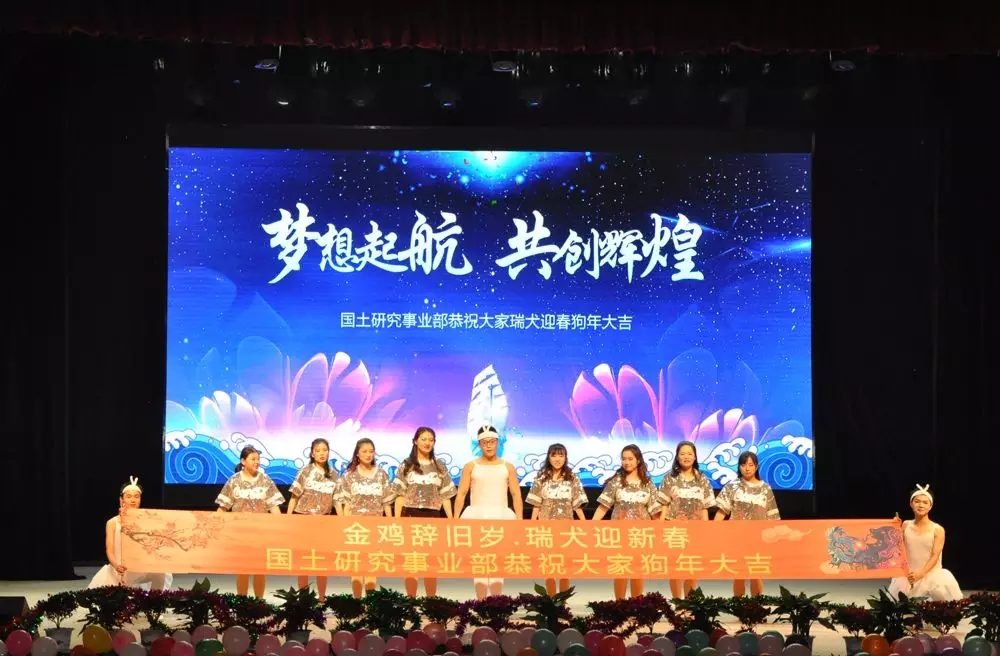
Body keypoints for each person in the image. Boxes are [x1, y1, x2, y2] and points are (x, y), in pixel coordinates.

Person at [454, 424, 523, 599]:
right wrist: (455, 520)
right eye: (485, 442)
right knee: (479, 560)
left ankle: (496, 602)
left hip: (501, 517)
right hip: (477, 517)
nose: (489, 445)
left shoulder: (508, 466)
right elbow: (461, 493)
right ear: (479, 444)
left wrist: (520, 520)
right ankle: (481, 602)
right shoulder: (471, 466)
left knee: (498, 560)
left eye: (492, 441)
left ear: (497, 442)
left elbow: (516, 494)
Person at [392, 427, 456, 598]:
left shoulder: (439, 466)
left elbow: (445, 496)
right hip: (410, 515)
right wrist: (397, 521)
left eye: (431, 440)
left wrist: (451, 519)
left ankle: (431, 600)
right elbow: (400, 495)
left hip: (433, 516)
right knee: (412, 560)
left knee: (430, 560)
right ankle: (410, 599)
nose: (428, 443)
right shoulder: (406, 465)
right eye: (424, 439)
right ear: (415, 441)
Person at [592, 444, 661, 600]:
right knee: (620, 569)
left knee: (638, 571)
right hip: (619, 535)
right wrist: (590, 526)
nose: (627, 462)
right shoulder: (616, 481)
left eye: (630, 459)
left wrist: (660, 531)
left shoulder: (647, 484)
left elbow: (654, 511)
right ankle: (620, 605)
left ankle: (637, 605)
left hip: (641, 535)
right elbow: (603, 507)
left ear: (638, 460)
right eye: (624, 459)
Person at [216, 446, 284, 597]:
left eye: (258, 459)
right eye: (253, 459)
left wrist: (281, 527)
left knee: (260, 570)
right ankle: (242, 602)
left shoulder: (265, 480)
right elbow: (223, 507)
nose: (257, 462)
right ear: (243, 461)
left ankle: (259, 602)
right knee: (243, 570)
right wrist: (214, 527)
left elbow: (274, 506)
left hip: (261, 534)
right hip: (240, 534)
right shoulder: (234, 481)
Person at [334, 438, 394, 598]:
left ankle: (371, 603)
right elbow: (346, 504)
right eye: (364, 451)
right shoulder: (349, 475)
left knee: (372, 565)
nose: (368, 455)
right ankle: (357, 602)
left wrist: (390, 523)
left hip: (376, 527)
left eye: (371, 451)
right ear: (357, 454)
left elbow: (386, 503)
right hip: (356, 528)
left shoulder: (381, 474)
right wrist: (345, 525)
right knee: (356, 565)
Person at [713, 451, 779, 596]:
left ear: (756, 467)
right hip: (737, 538)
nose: (747, 468)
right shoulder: (732, 486)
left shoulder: (766, 489)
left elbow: (773, 518)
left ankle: (756, 606)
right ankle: (739, 605)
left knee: (756, 574)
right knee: (739, 574)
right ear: (739, 467)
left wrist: (773, 540)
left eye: (750, 465)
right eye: (743, 465)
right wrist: (712, 531)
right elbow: (721, 512)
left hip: (758, 539)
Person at [89, 476, 172, 590]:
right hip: (120, 568)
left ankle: (154, 599)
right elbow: (109, 550)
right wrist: (116, 565)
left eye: (136, 496)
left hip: (139, 566)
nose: (133, 500)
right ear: (121, 500)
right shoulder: (112, 523)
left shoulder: (146, 521)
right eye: (129, 496)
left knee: (160, 573)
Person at [526, 443, 588, 595]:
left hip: (566, 529)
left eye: (561, 455)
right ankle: (551, 600)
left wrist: (586, 524)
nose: (557, 459)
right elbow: (536, 504)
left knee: (565, 565)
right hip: (546, 529)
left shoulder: (572, 478)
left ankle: (563, 601)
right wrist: (532, 525)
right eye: (554, 455)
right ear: (548, 457)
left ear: (565, 458)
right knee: (548, 565)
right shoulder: (541, 478)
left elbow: (577, 504)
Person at [659, 440, 715, 599]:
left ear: (695, 457)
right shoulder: (669, 478)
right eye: (682, 454)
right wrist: (660, 527)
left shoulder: (702, 478)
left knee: (691, 566)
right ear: (677, 457)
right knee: (675, 568)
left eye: (690, 454)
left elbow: (705, 507)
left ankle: (689, 603)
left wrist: (707, 528)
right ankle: (677, 602)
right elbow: (664, 504)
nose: (686, 457)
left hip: (695, 530)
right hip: (674, 530)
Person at [287, 437, 340, 602]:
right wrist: (287, 519)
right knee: (304, 561)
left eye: (324, 450)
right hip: (303, 521)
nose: (322, 453)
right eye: (318, 450)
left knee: (322, 562)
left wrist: (344, 521)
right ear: (312, 453)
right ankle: (304, 598)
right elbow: (294, 497)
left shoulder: (334, 475)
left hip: (324, 523)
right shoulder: (305, 472)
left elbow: (337, 501)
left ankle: (322, 598)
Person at [888, 484, 962, 601]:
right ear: (911, 504)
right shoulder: (906, 525)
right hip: (909, 575)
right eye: (917, 501)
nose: (921, 505)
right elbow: (897, 547)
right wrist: (894, 527)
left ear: (930, 506)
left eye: (925, 502)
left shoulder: (938, 529)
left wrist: (921, 574)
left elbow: (935, 556)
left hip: (931, 576)